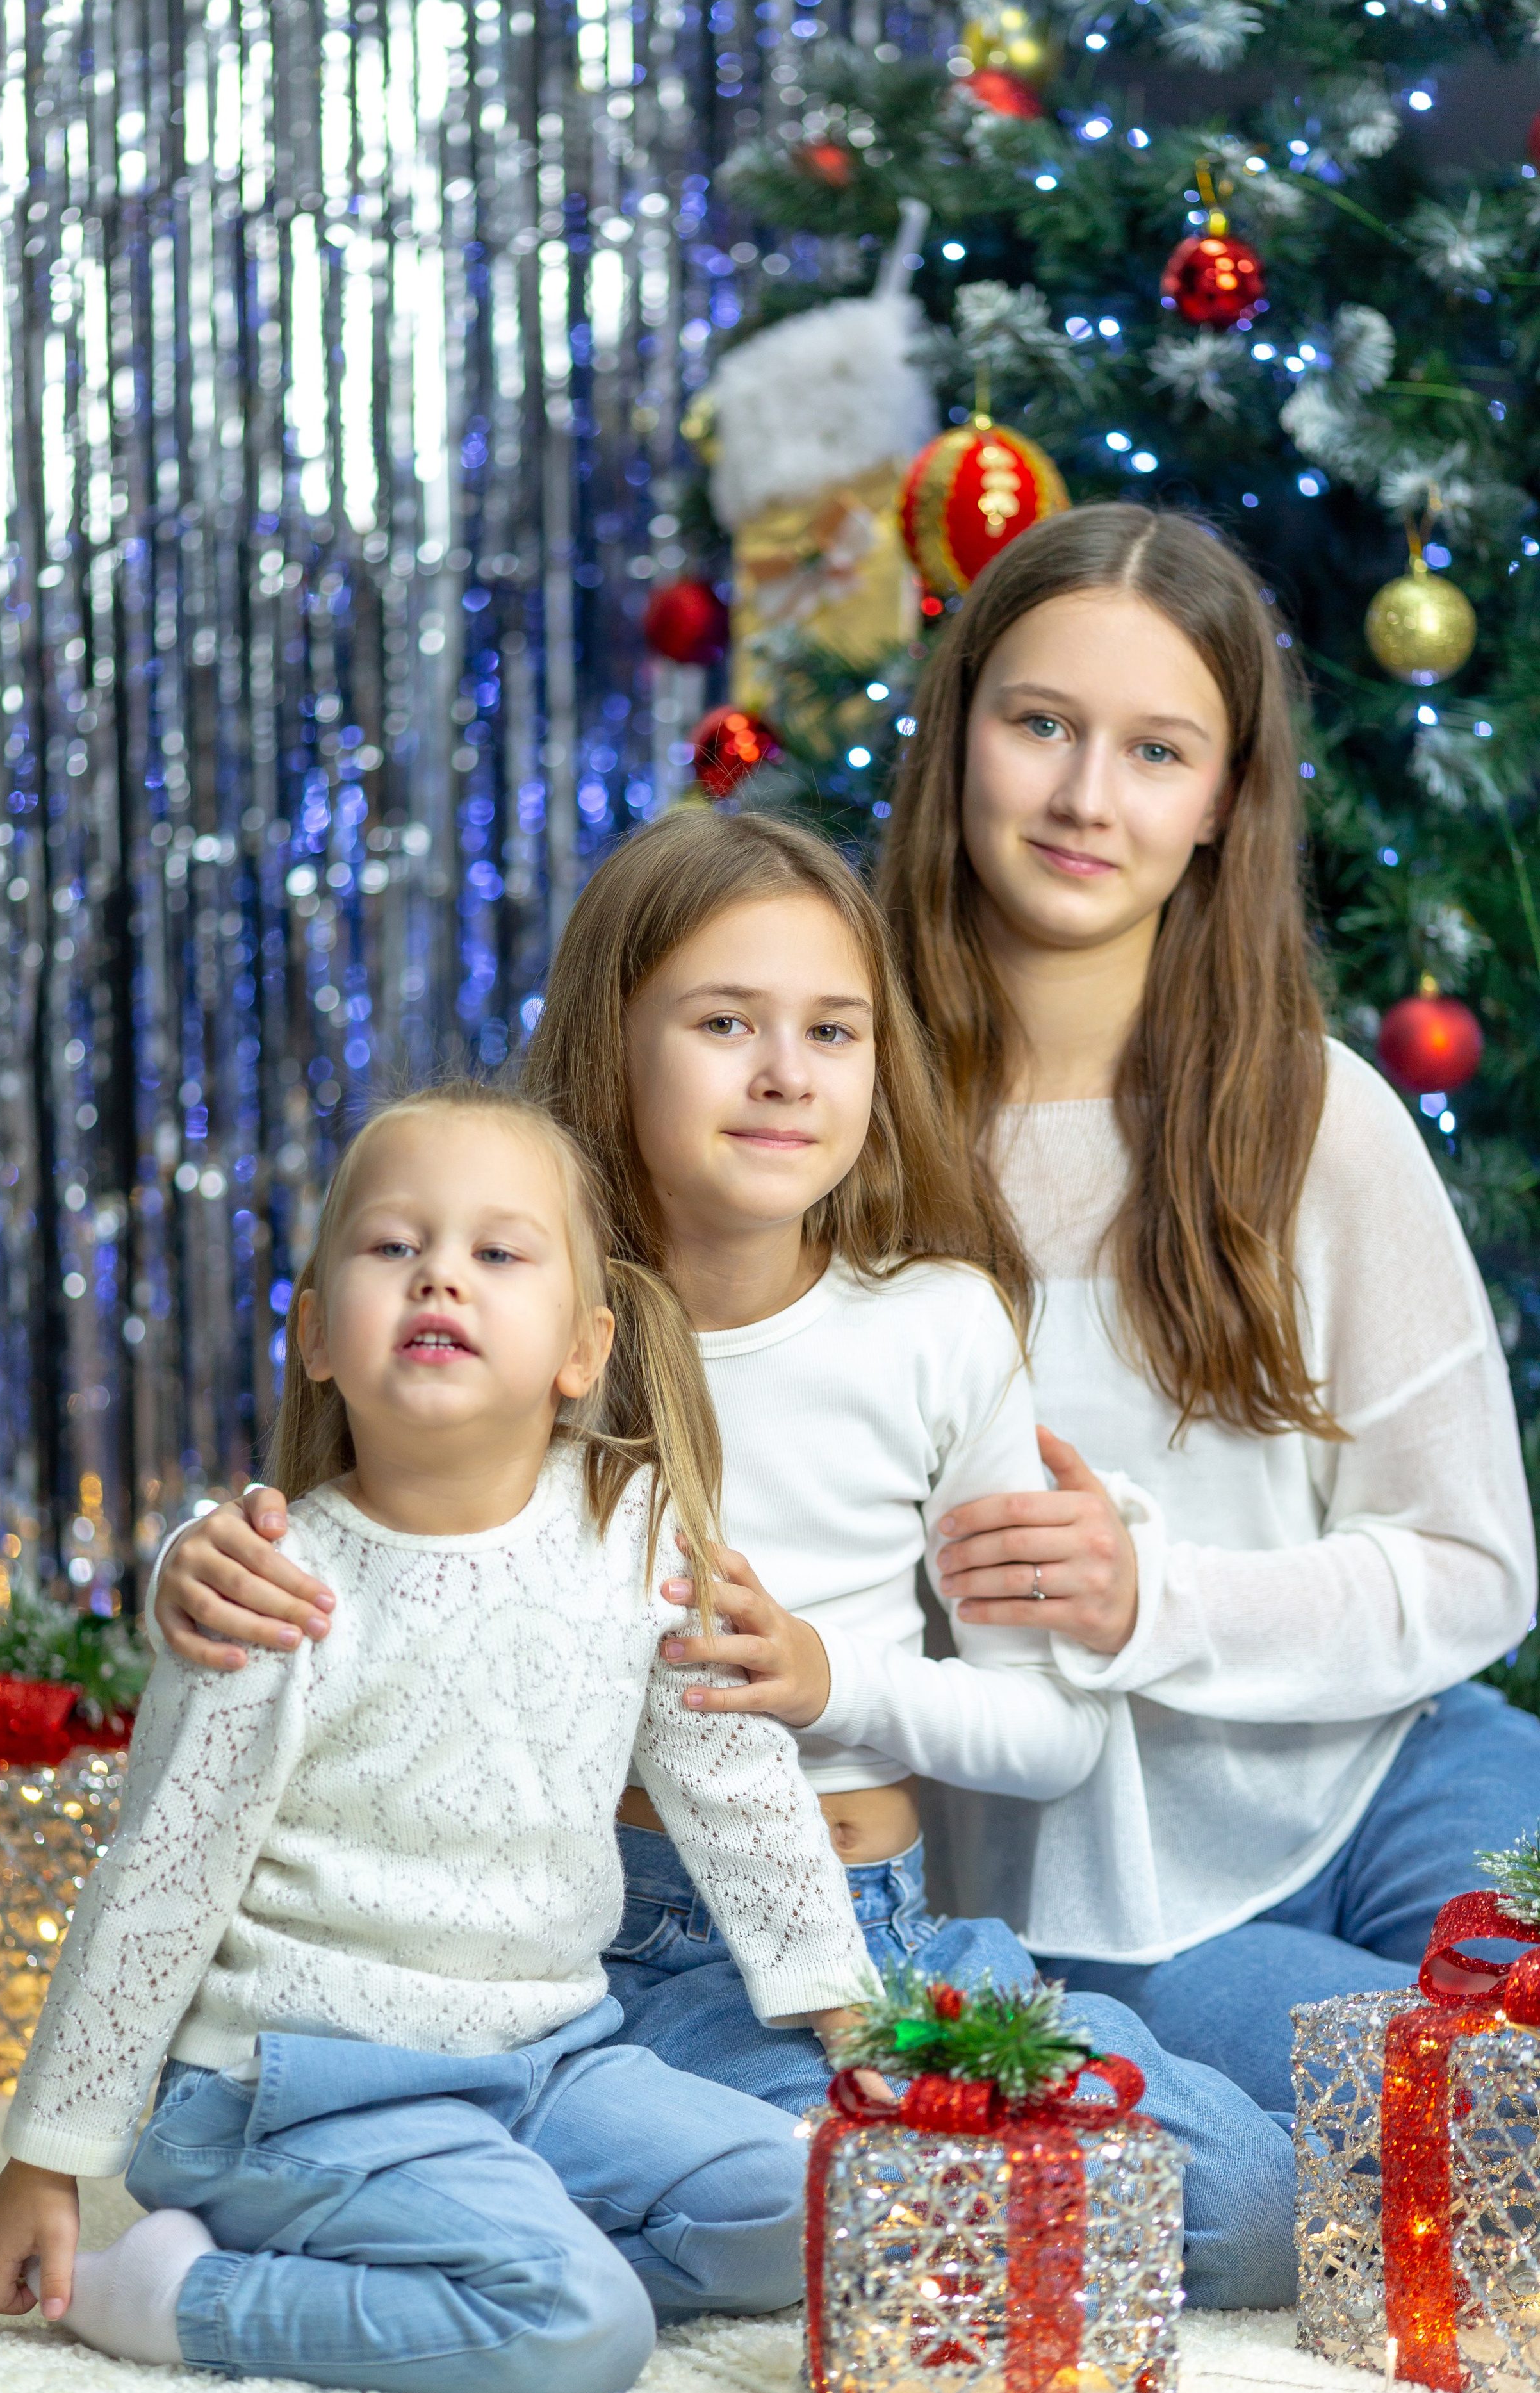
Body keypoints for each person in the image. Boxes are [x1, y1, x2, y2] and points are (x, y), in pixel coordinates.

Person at [150, 810, 1299, 2308]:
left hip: (886, 1936)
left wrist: (830, 1684)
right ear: (609, 1042)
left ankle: (528, 2198)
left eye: (832, 1030)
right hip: (622, 1947)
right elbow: (352, 1529)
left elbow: (1050, 1736)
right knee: (865, 2219)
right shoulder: (531, 1315)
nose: (783, 1074)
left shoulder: (938, 1327)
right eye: (721, 1023)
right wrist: (195, 1556)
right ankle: (458, 2184)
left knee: (1242, 2205)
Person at [0, 1082, 878, 2393]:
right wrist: (47, 2156)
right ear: (315, 1337)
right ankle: (182, 2289)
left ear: (582, 1345)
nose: (439, 1276)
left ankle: (450, 2246)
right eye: (393, 1247)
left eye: (496, 1253)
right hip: (297, 2091)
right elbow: (160, 1876)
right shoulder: (271, 1590)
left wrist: (853, 2027)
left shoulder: (634, 1541)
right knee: (581, 2328)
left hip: (550, 2062)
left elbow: (737, 1794)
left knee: (819, 2207)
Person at [866, 499, 1537, 2124]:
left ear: (1225, 801)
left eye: (1156, 752)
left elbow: (1471, 1569)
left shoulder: (1318, 1117)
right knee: (1458, 2118)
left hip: (1389, 1775)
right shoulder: (831, 1104)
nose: (1086, 799)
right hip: (1099, 1889)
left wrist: (1144, 1601)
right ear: (957, 738)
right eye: (1039, 726)